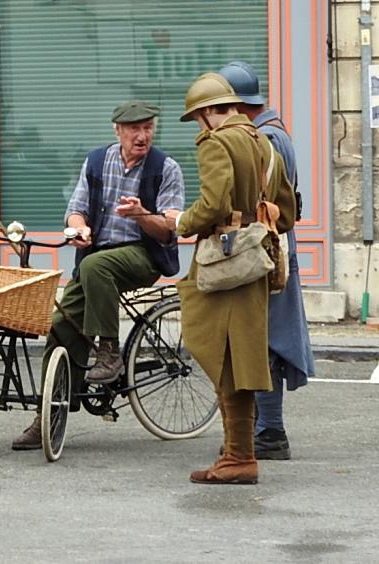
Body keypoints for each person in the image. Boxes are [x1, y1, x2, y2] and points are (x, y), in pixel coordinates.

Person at [12, 101, 184, 450]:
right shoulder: (95, 161)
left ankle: (109, 353)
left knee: (94, 267)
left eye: (148, 127)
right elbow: (75, 210)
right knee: (61, 325)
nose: (142, 136)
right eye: (134, 129)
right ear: (117, 131)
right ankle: (52, 414)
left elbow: (168, 230)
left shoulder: (166, 168)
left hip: (144, 254)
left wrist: (141, 215)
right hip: (96, 254)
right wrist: (81, 229)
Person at [174, 73, 296, 485]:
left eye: (197, 118)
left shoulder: (216, 142)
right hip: (254, 261)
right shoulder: (265, 142)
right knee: (241, 352)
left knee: (219, 352)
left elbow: (213, 204)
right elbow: (288, 210)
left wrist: (181, 222)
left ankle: (239, 456)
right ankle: (237, 453)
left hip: (224, 262)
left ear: (209, 113)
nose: (198, 126)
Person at [216, 61, 314, 460]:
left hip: (263, 249)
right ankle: (263, 427)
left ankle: (270, 431)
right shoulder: (276, 133)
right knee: (263, 335)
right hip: (275, 245)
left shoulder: (264, 139)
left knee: (263, 338)